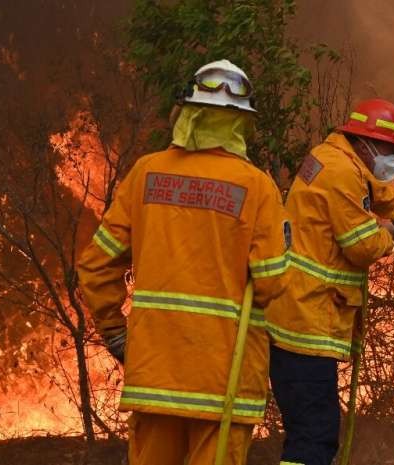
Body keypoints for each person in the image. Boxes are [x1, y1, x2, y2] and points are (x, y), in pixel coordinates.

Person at [77, 59, 290, 465]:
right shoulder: (257, 187)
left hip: (155, 374)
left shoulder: (146, 173)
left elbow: (96, 264)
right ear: (242, 123)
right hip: (224, 380)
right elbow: (271, 283)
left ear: (187, 113)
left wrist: (116, 334)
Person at [266, 98, 394, 465]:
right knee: (314, 438)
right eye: (389, 149)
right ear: (366, 143)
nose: (392, 157)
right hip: (305, 326)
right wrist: (391, 234)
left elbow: (376, 191)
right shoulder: (341, 172)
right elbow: (361, 246)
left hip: (300, 318)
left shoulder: (336, 157)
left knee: (311, 434)